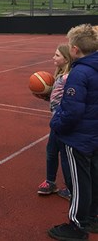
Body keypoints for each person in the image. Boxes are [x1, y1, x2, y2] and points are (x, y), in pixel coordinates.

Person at [47, 24, 98, 240]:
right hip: (93, 134)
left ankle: (78, 227)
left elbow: (72, 111)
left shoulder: (79, 73)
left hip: (77, 137)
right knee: (93, 178)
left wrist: (56, 125)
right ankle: (93, 216)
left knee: (78, 182)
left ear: (75, 50)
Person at [36, 44, 74, 200]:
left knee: (65, 156)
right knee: (51, 151)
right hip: (57, 121)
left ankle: (71, 188)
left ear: (66, 59)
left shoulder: (69, 77)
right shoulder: (59, 75)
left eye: (57, 55)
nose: (53, 57)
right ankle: (50, 181)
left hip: (63, 122)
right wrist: (47, 96)